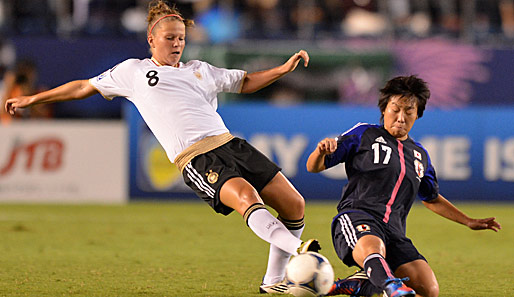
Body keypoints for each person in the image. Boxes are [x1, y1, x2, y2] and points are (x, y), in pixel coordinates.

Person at [5, 0, 319, 294]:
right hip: (197, 157)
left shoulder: (200, 69)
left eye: (181, 38)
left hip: (232, 145)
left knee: (294, 204)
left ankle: (273, 280)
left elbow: (244, 81)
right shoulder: (133, 72)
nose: (177, 44)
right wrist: (33, 99)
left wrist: (281, 70)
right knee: (247, 198)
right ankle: (300, 252)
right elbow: (83, 87)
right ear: (151, 39)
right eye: (170, 38)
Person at [306, 75, 501, 297]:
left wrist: (468, 221)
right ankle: (390, 287)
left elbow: (432, 198)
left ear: (417, 114)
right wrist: (320, 152)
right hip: (358, 217)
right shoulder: (365, 134)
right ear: (384, 109)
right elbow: (314, 167)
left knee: (429, 290)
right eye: (395, 109)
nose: (401, 117)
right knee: (374, 251)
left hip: (395, 233)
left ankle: (360, 285)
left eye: (408, 111)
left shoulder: (420, 156)